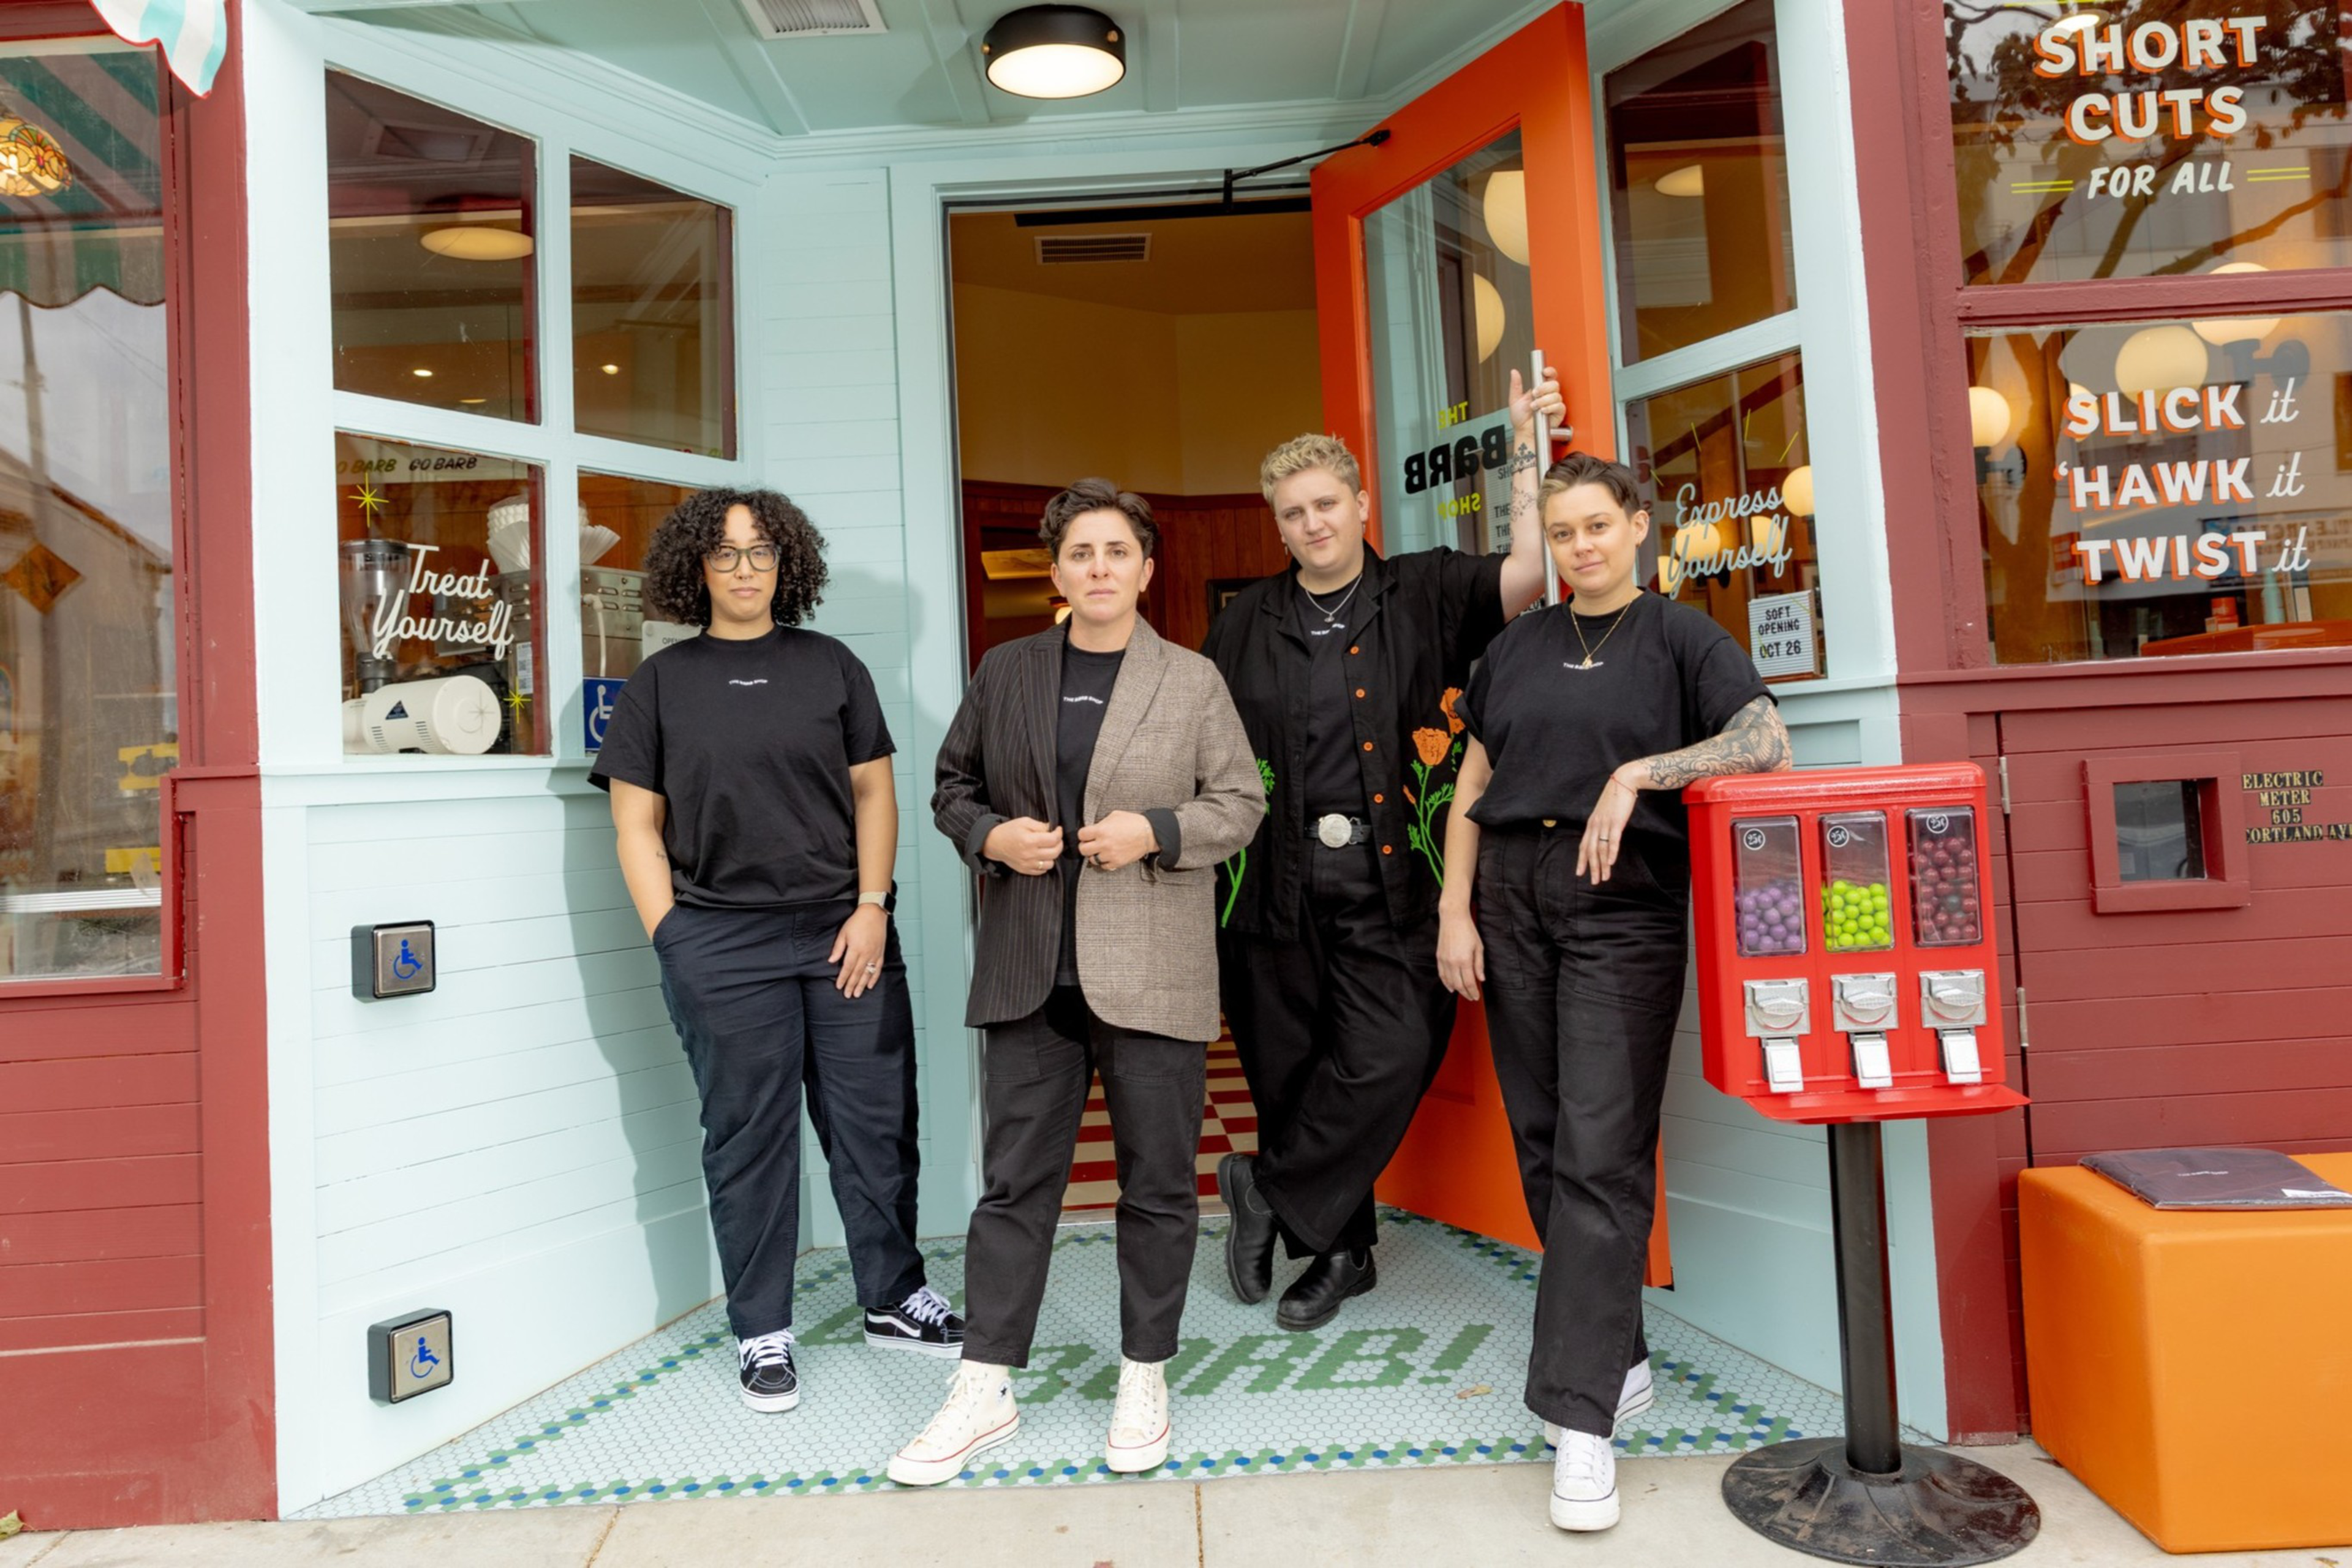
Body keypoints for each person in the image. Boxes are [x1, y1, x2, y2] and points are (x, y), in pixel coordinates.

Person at [1434, 452, 1791, 1533]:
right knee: (1545, 1141)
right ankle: (1617, 1349)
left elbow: (1765, 743)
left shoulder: (1682, 636)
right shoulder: (1517, 646)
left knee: (1601, 1147)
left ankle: (1582, 1422)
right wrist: (1454, 913)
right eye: (1565, 529)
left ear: (1637, 526)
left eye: (1600, 525)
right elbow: (1473, 787)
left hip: (1618, 906)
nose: (1583, 546)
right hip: (1509, 898)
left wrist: (1639, 773)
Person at [889, 480, 1262, 1486]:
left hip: (1153, 969)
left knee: (1156, 1185)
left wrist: (1161, 831)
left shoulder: (1190, 681)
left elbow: (1241, 801)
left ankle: (1146, 1371)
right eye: (1080, 553)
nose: (1099, 569)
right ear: (1055, 572)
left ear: (1146, 568)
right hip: (1026, 969)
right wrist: (989, 836)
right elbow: (950, 787)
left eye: (1117, 552)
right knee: (1015, 1190)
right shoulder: (1007, 671)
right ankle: (985, 1383)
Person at [1205, 368, 1566, 1332]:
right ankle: (1340, 1255)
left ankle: (1265, 1188)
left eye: (1327, 503)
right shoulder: (1241, 623)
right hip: (1270, 892)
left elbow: (1531, 572)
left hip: (1399, 882)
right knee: (1290, 1072)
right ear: (1276, 526)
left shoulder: (1429, 588)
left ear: (1361, 504)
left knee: (1389, 1054)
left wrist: (1527, 446)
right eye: (1293, 513)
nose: (1313, 523)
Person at [592, 487, 961, 1418]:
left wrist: (873, 906)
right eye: (726, 554)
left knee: (875, 1124)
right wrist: (674, 937)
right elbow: (635, 825)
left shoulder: (832, 667)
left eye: (761, 553)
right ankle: (762, 1329)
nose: (745, 569)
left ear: (787, 565)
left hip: (846, 930)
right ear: (696, 569)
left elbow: (875, 798)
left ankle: (893, 1298)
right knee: (749, 1138)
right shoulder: (661, 686)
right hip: (722, 941)